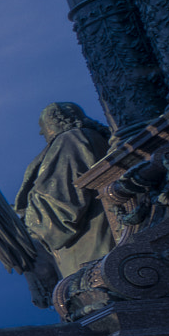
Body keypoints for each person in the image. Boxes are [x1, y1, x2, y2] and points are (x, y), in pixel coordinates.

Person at [16, 101, 116, 274]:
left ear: (57, 121)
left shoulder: (71, 140)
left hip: (92, 256)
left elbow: (59, 202)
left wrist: (25, 220)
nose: (41, 132)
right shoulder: (91, 138)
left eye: (43, 126)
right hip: (105, 248)